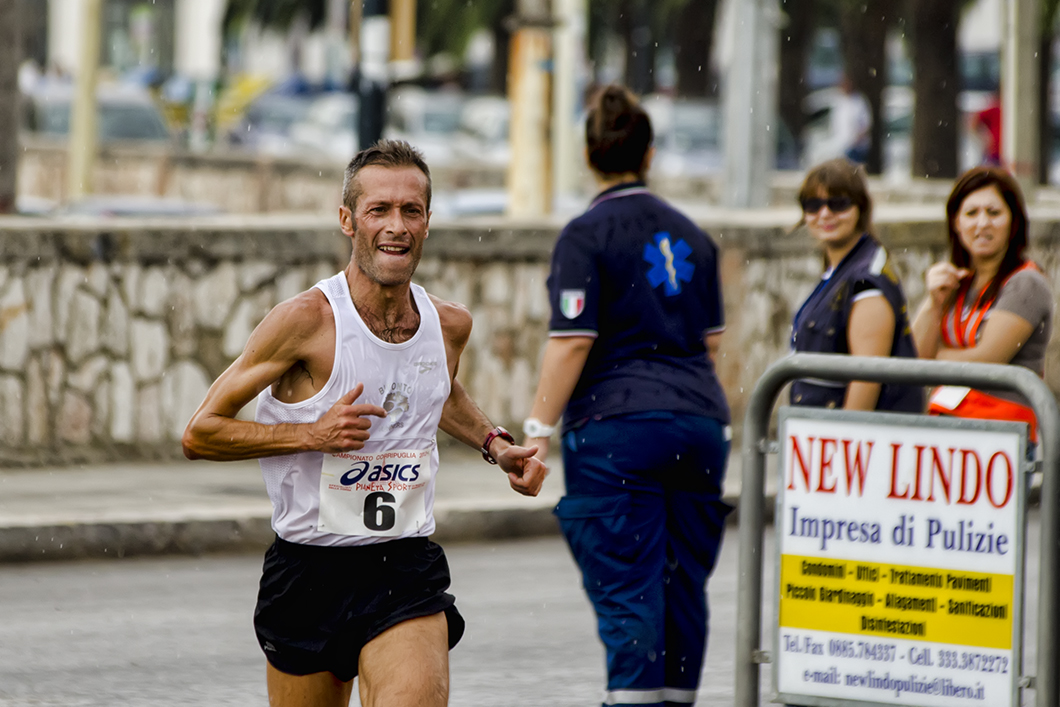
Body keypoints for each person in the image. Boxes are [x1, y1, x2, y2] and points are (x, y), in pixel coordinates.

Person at [181, 139, 547, 707]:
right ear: (349, 221)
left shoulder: (448, 325)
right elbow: (200, 432)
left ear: (428, 222)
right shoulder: (305, 322)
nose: (396, 226)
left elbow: (437, 391)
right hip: (307, 569)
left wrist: (495, 444)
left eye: (411, 210)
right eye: (379, 210)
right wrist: (312, 434)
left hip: (402, 566)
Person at [521, 84, 732, 707]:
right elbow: (713, 343)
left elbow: (571, 342)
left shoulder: (584, 236)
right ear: (651, 152)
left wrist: (536, 428)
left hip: (615, 430)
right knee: (682, 582)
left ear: (589, 157)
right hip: (700, 426)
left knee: (627, 584)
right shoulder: (694, 235)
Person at [911, 166, 1053, 443]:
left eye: (994, 213)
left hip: (1000, 438)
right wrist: (932, 302)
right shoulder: (956, 281)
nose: (982, 223)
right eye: (971, 213)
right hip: (949, 429)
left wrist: (934, 357)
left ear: (1013, 222)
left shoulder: (1026, 283)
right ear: (956, 222)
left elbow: (986, 361)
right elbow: (914, 360)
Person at [790, 158, 924, 412]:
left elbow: (866, 377)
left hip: (848, 441)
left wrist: (843, 443)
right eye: (813, 205)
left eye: (838, 204)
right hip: (814, 435)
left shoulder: (866, 282)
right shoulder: (838, 270)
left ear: (860, 207)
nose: (825, 214)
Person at [831, 75, 871, 164]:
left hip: (857, 146)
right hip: (842, 145)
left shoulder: (858, 101)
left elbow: (866, 124)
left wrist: (857, 137)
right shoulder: (840, 101)